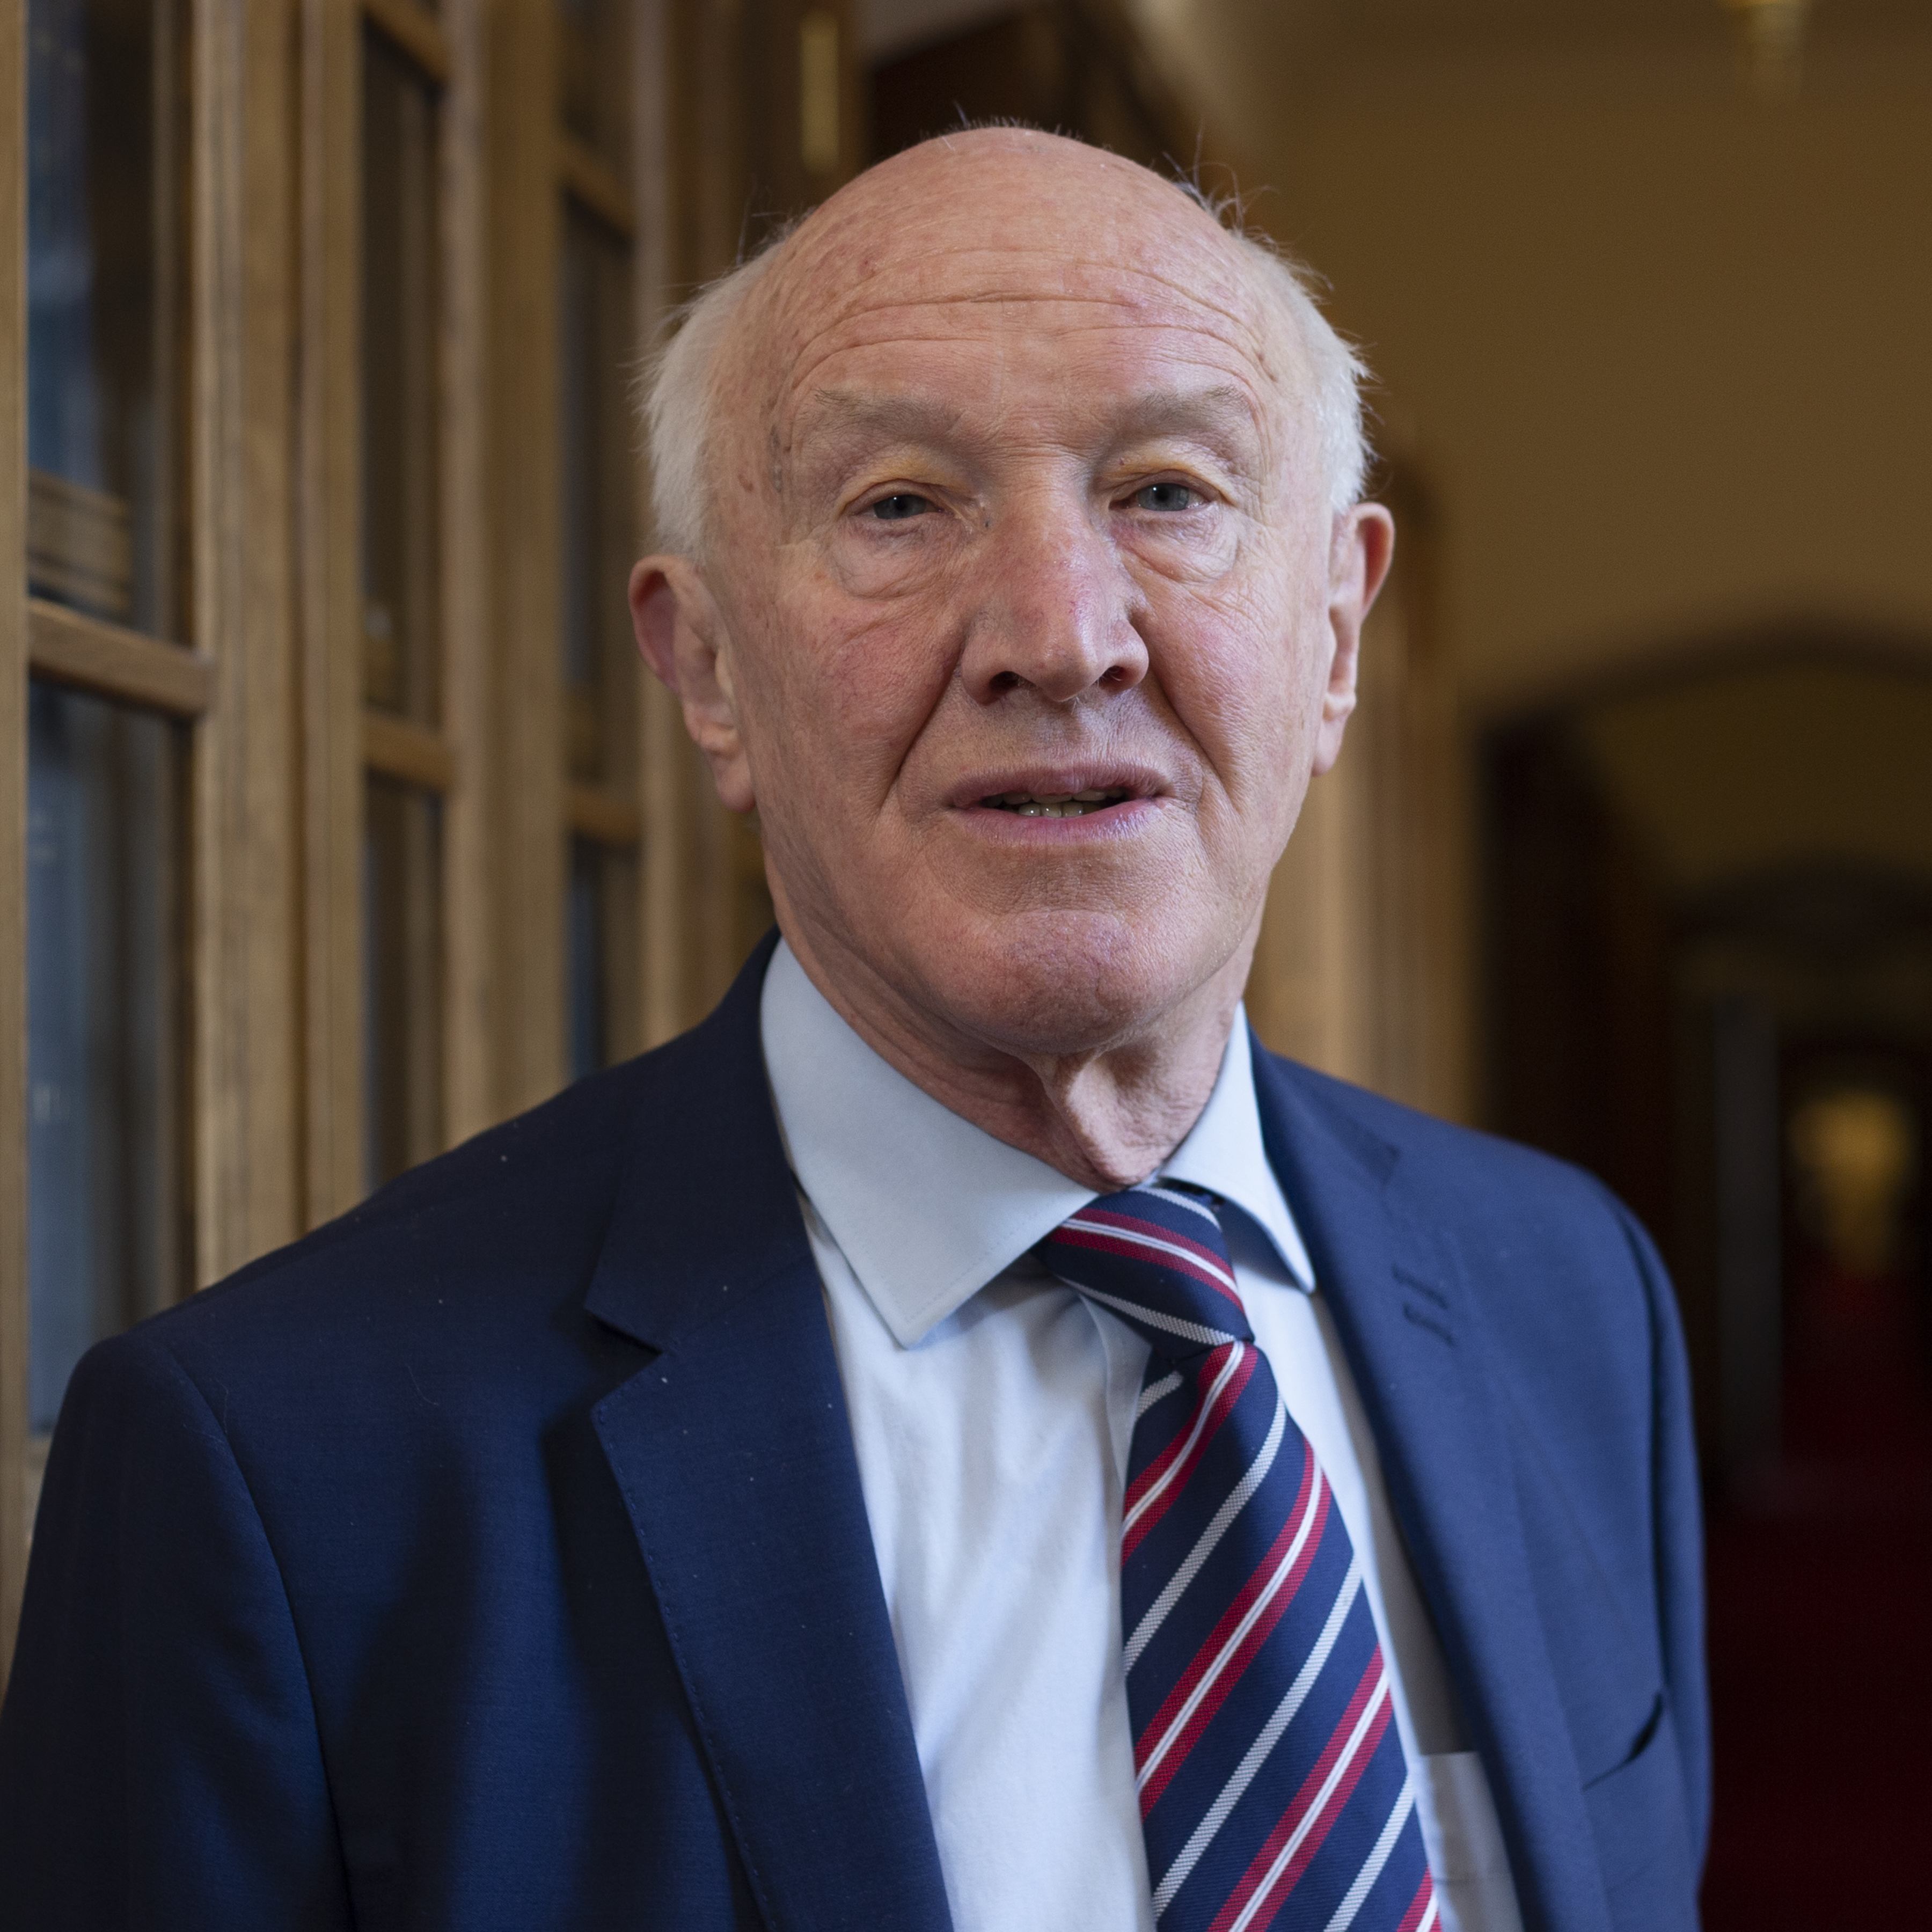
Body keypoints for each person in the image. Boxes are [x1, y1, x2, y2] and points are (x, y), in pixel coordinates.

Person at [0, 129, 1706, 1931]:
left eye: (1170, 490)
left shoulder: (1571, 1300)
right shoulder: (277, 1475)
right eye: (900, 504)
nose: (1062, 638)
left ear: (1339, 631)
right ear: (709, 671)